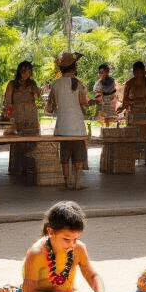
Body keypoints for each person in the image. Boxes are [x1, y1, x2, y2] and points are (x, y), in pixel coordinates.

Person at [46, 51, 89, 191]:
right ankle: (76, 183)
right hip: (77, 124)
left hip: (62, 125)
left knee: (64, 154)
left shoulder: (55, 84)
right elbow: (83, 102)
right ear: (74, 68)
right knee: (78, 154)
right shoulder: (77, 83)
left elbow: (50, 105)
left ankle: (66, 182)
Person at [2, 60, 41, 177]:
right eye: (24, 70)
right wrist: (9, 118)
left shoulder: (32, 84)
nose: (26, 72)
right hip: (18, 119)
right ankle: (17, 171)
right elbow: (7, 103)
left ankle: (31, 170)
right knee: (18, 145)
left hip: (31, 118)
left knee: (32, 145)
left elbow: (39, 98)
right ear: (19, 71)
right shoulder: (12, 84)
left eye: (29, 70)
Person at [121, 60, 146, 165]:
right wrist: (126, 106)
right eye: (136, 72)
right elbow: (125, 101)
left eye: (140, 72)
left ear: (143, 72)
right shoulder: (129, 83)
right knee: (133, 135)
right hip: (133, 112)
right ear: (133, 72)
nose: (138, 74)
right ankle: (133, 156)